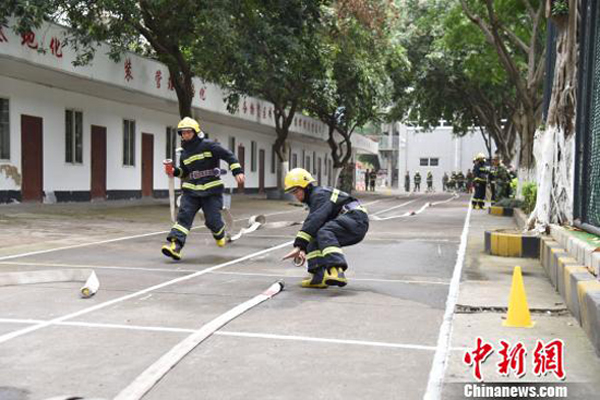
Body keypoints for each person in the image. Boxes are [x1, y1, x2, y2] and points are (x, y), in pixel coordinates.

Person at [161, 117, 245, 260]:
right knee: (184, 217)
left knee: (212, 220)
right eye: (183, 133)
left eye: (188, 132)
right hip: (191, 191)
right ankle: (175, 246)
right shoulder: (184, 153)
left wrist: (237, 171)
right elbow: (184, 172)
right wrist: (174, 171)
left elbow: (228, 155)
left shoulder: (209, 145)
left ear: (196, 132)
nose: (186, 135)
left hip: (211, 190)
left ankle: (219, 234)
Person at [282, 168, 369, 288]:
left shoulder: (319, 194)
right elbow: (314, 225)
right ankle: (319, 277)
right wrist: (304, 249)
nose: (295, 195)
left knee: (324, 232)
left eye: (296, 191)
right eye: (292, 192)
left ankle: (336, 271)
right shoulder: (316, 197)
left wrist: (299, 245)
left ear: (306, 186)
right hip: (350, 220)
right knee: (314, 238)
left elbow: (314, 219)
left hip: (355, 219)